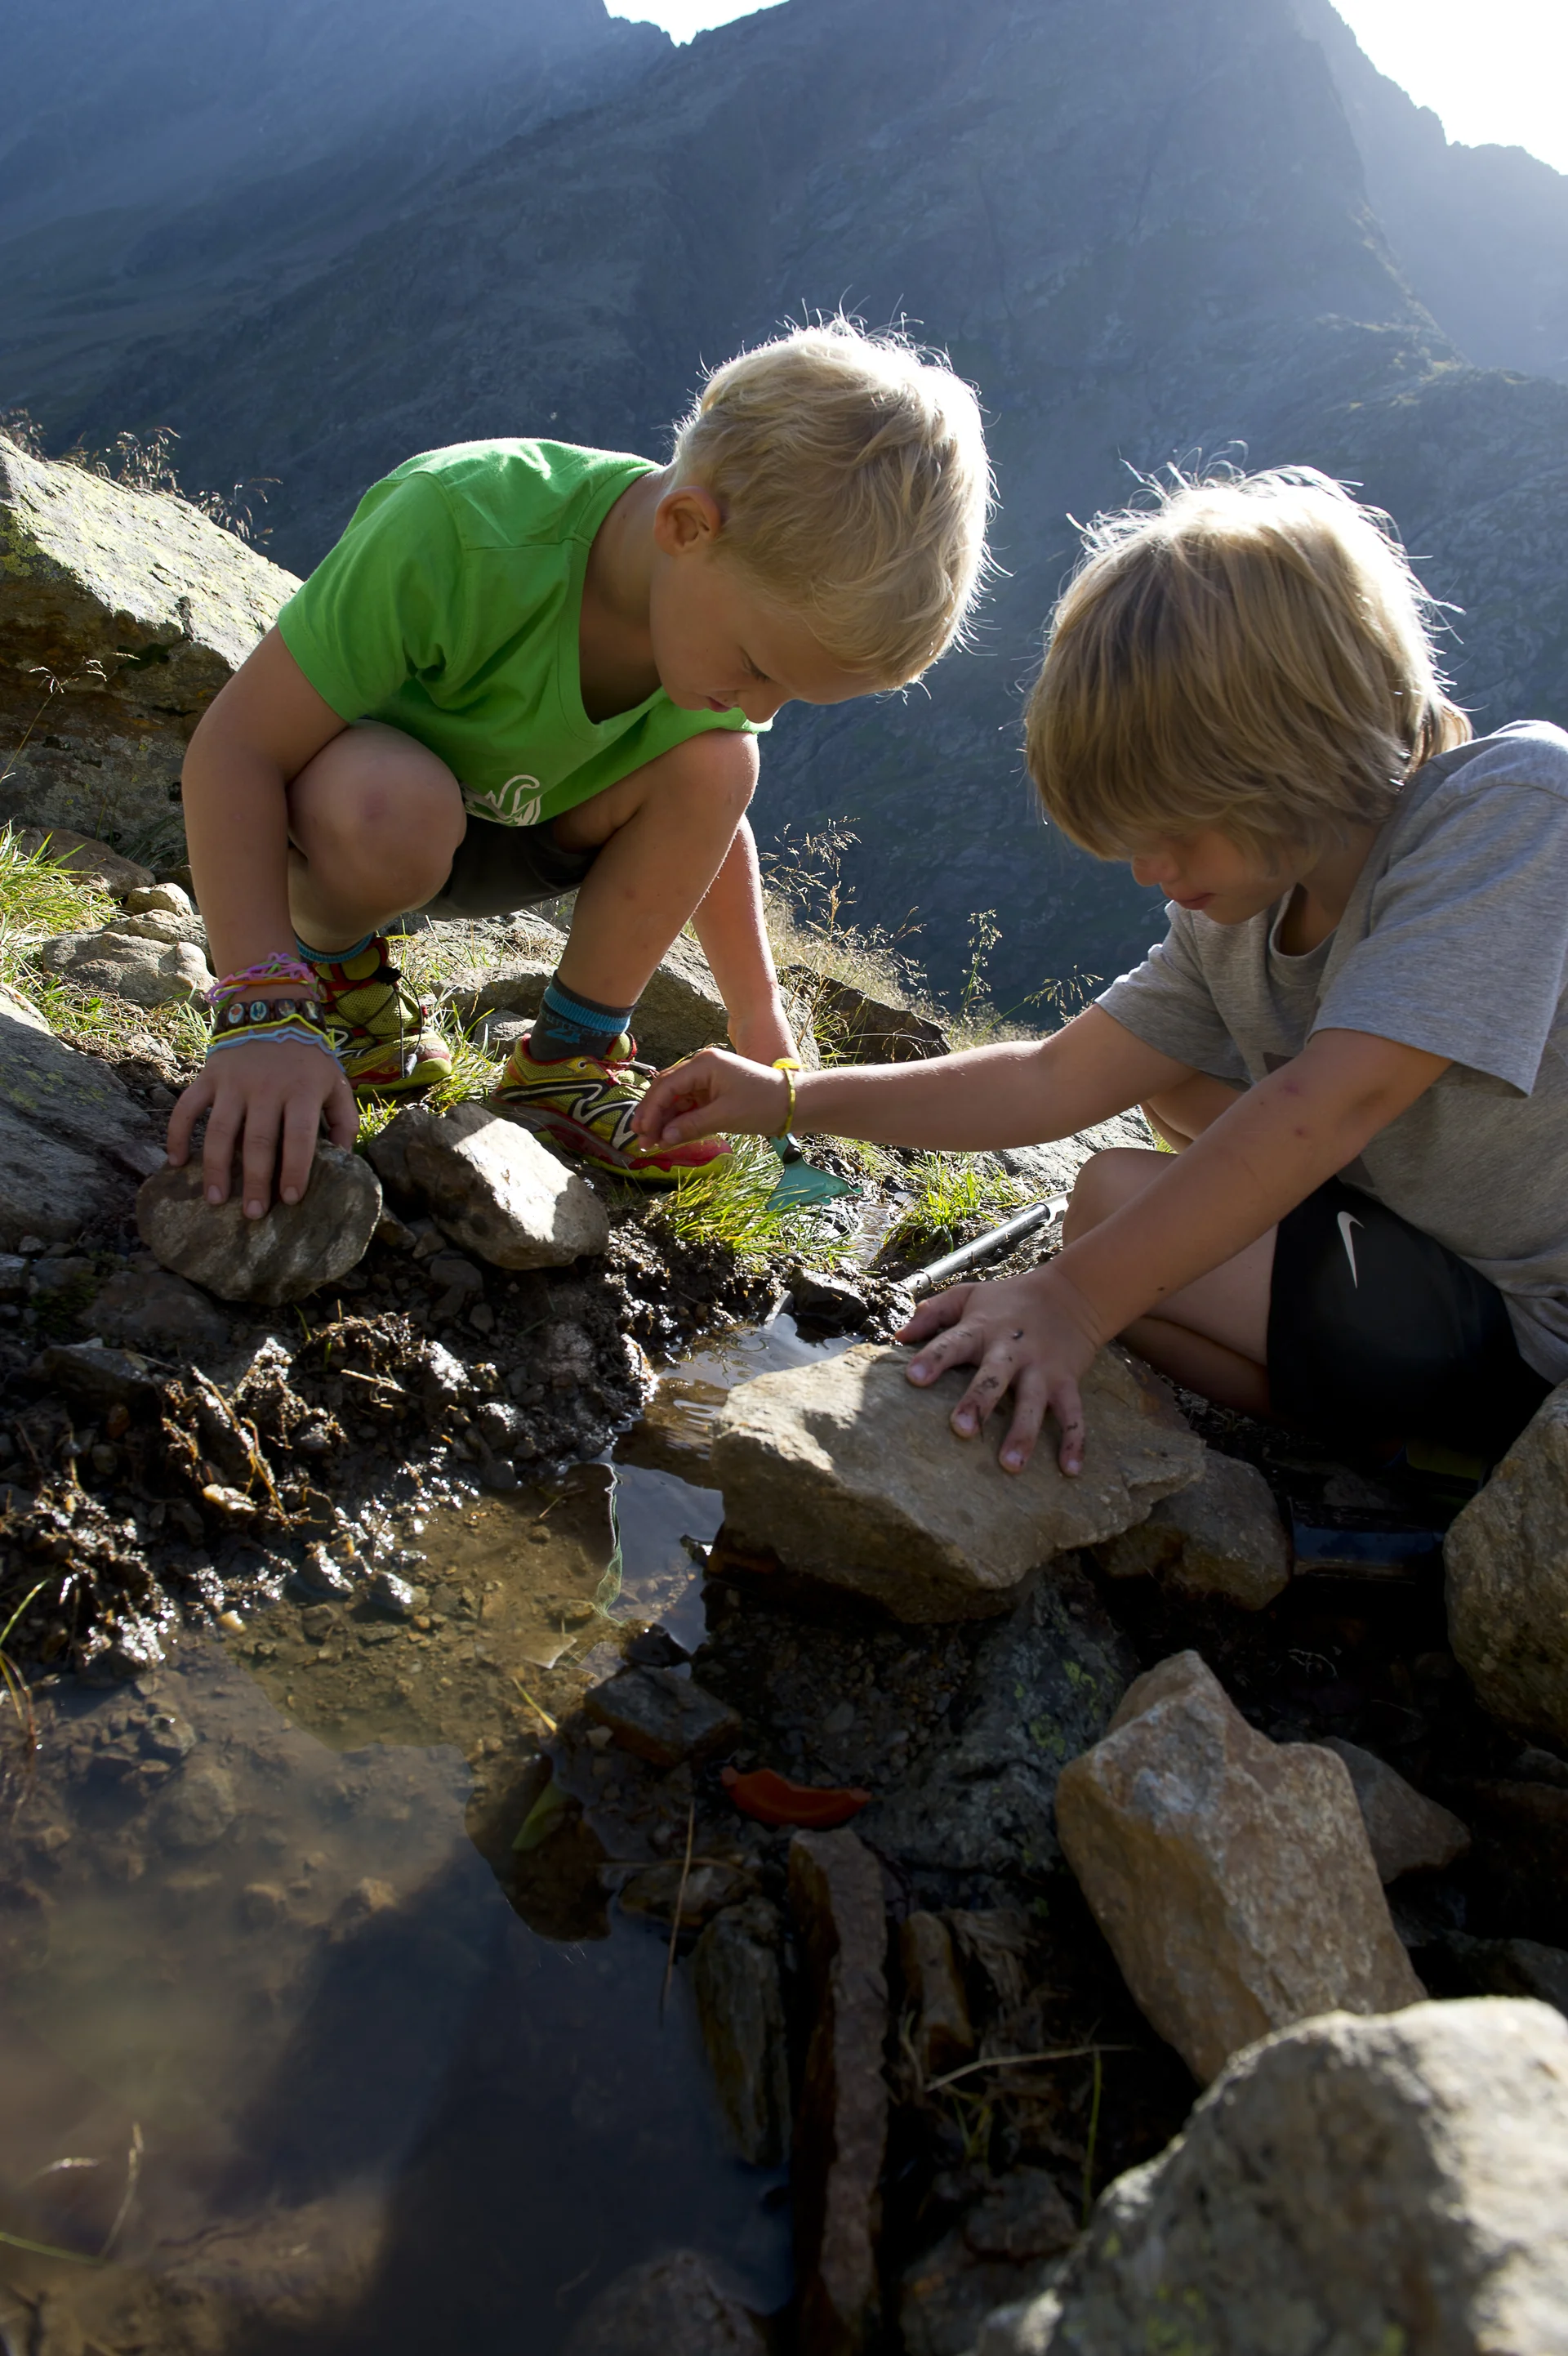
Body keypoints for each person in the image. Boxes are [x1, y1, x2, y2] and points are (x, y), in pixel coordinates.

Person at [634, 466, 1568, 1475]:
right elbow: (1054, 1080)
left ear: (1295, 753)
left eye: (1176, 832)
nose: (1151, 871)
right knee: (1109, 1199)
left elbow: (1335, 1102)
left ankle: (1491, 1460)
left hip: (1534, 1323)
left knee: (1107, 1266)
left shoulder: (1508, 810)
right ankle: (1426, 1459)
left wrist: (1074, 1301)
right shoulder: (1238, 915)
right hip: (1420, 1271)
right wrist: (786, 1099)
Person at [166, 322, 991, 1213]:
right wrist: (259, 1008)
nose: (759, 707)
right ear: (687, 525)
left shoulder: (709, 620)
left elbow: (714, 821)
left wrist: (757, 1011)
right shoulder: (461, 526)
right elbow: (236, 748)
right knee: (393, 807)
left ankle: (565, 1061)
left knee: (720, 765)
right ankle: (331, 979)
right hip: (351, 823)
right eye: (761, 668)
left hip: (522, 833)